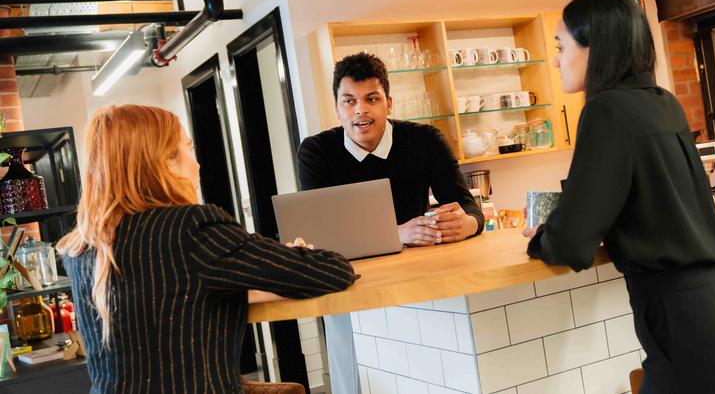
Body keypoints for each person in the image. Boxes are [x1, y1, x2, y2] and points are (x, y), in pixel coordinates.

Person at [523, 0, 715, 394]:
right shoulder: (663, 102)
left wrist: (542, 238)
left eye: (560, 46)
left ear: (594, 48)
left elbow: (571, 244)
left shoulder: (605, 111)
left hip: (689, 332)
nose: (555, 59)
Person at [57, 105, 357, 394]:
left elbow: (161, 297)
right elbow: (332, 271)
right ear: (163, 161)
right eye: (189, 148)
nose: (197, 163)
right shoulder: (190, 228)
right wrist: (295, 256)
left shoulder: (83, 246)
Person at [297, 52, 484, 393]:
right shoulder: (315, 152)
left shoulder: (425, 140)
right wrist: (397, 234)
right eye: (349, 101)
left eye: (372, 99)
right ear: (336, 107)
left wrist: (468, 223)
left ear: (389, 103)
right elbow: (318, 238)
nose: (360, 110)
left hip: (417, 285)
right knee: (355, 384)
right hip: (346, 288)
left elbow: (469, 206)